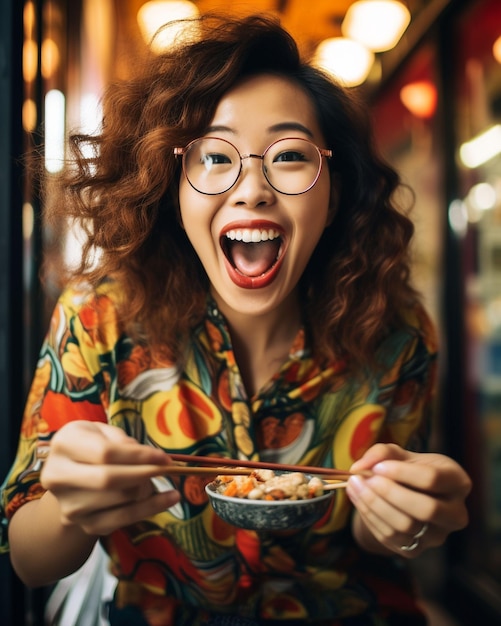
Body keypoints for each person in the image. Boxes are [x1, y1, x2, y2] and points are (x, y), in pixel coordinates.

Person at [0, 13, 471, 626]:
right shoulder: (98, 319)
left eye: (291, 154)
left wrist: (410, 519)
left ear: (333, 197)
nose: (252, 190)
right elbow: (30, 562)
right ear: (173, 190)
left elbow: (372, 537)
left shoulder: (398, 332)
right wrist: (68, 508)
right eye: (215, 157)